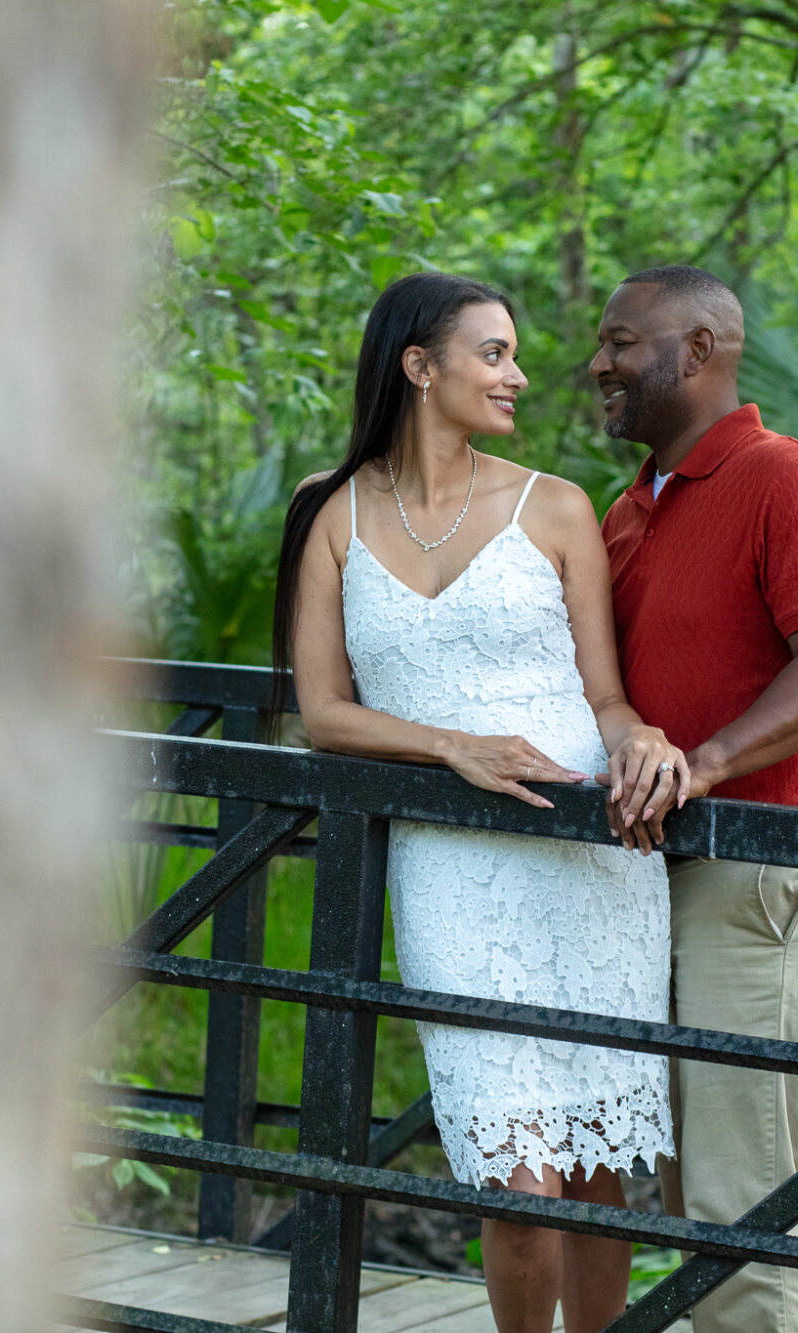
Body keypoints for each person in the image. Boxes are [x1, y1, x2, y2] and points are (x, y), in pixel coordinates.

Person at [274, 272, 688, 1333]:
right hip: (452, 870)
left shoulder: (552, 505)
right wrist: (446, 745)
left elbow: (602, 695)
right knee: (513, 1176)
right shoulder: (328, 510)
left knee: (597, 1173)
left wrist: (636, 739)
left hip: (591, 859)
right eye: (492, 353)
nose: (516, 375)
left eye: (511, 354)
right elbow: (323, 710)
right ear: (420, 366)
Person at [588, 264, 798, 1333]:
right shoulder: (629, 510)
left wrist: (698, 767)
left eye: (621, 341)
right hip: (659, 879)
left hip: (768, 873)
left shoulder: (783, 475)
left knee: (736, 1214)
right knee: (680, 1195)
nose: (598, 363)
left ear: (699, 348)